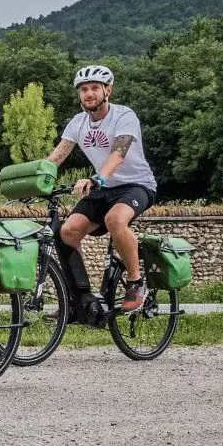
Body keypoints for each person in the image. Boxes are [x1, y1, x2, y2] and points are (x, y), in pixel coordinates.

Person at [44, 65, 157, 313]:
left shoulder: (124, 116)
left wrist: (97, 179)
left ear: (108, 90)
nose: (89, 93)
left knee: (115, 219)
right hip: (103, 189)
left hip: (136, 185)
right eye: (84, 89)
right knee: (68, 231)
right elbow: (56, 158)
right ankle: (81, 299)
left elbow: (118, 154)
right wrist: (32, 180)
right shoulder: (78, 123)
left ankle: (136, 282)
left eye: (95, 88)